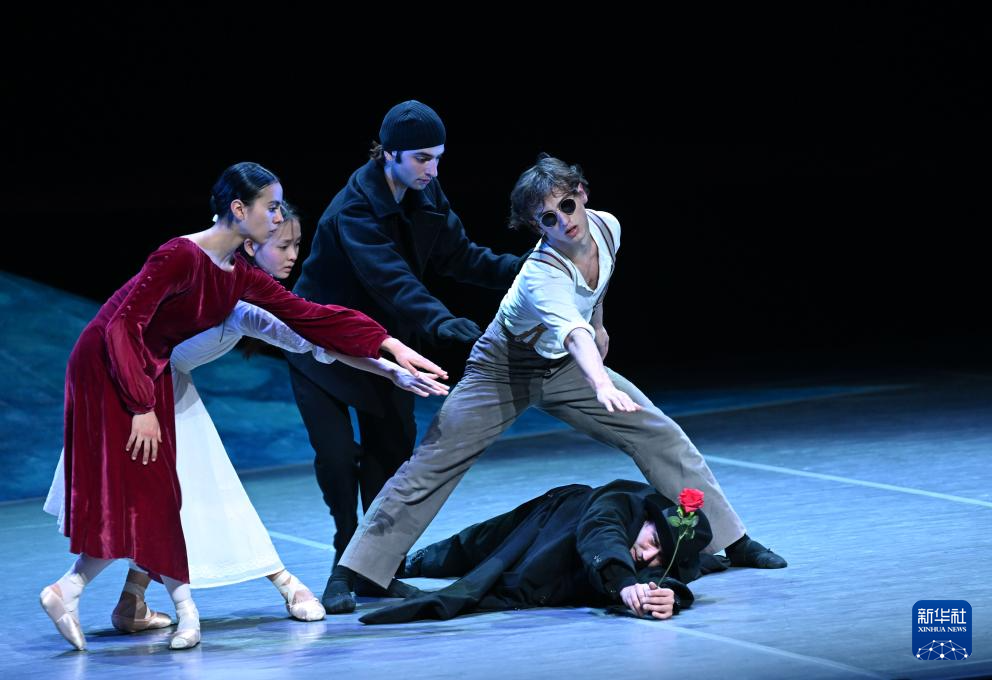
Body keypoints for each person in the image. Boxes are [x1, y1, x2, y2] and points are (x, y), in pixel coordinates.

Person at [334, 154, 786, 605]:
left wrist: (600, 324)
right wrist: (601, 383)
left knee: (658, 433)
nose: (563, 221)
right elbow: (572, 333)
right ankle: (359, 570)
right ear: (537, 226)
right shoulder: (541, 272)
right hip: (503, 367)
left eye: (566, 206)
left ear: (582, 194)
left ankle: (731, 540)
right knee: (435, 459)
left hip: (564, 366)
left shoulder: (608, 227)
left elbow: (594, 291)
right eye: (547, 218)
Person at [39, 162, 445, 651]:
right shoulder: (179, 255)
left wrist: (387, 347)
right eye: (271, 208)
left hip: (154, 374)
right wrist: (140, 404)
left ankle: (97, 596)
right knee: (147, 493)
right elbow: (122, 327)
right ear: (238, 208)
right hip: (111, 368)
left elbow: (310, 319)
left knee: (156, 496)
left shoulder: (238, 277)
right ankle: (115, 598)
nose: (277, 218)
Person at [284, 100, 525, 609]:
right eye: (421, 158)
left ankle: (378, 570)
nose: (432, 169)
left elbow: (460, 255)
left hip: (387, 346)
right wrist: (439, 321)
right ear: (388, 153)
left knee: (390, 458)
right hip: (322, 344)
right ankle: (343, 562)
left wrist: (522, 270)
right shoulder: (354, 209)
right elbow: (391, 280)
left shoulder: (426, 191)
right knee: (337, 458)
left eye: (437, 157)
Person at [360, 480, 716, 624]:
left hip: (553, 575)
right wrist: (624, 584)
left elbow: (669, 578)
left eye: (660, 557)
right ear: (648, 520)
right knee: (475, 545)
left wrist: (668, 598)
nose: (648, 557)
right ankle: (407, 562)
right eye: (653, 542)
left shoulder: (661, 559)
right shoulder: (620, 505)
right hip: (552, 520)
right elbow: (601, 531)